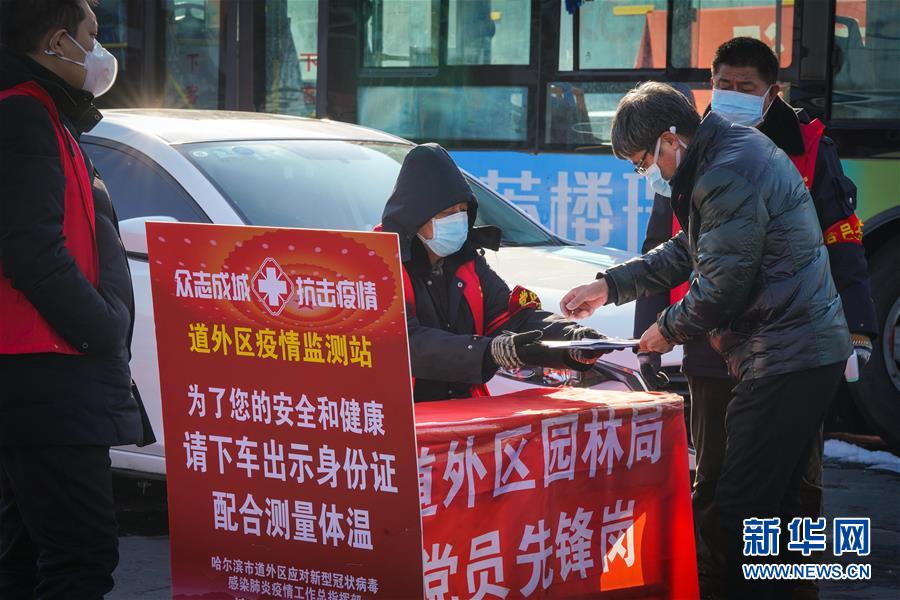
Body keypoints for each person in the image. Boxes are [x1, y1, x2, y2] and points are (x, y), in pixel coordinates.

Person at [560, 82, 851, 599]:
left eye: (643, 162)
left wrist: (664, 330)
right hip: (802, 349)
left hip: (786, 355)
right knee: (784, 504)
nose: (646, 174)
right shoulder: (727, 152)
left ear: (670, 140)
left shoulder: (723, 173)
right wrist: (609, 286)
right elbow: (689, 249)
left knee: (738, 508)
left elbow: (721, 287)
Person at [633, 38, 879, 598]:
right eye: (722, 84)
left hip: (785, 347)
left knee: (793, 491)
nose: (731, 95)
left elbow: (841, 237)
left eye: (745, 87)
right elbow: (666, 244)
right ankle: (719, 584)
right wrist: (650, 334)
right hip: (708, 339)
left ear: (773, 93)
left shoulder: (807, 146)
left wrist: (859, 327)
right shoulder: (681, 143)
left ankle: (795, 590)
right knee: (718, 483)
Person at [0, 1, 154, 597]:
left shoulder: (42, 112)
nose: (101, 50)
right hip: (47, 375)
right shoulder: (24, 115)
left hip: (38, 377)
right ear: (59, 42)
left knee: (26, 555)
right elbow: (32, 251)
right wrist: (102, 327)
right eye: (93, 34)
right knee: (81, 555)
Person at [380, 143, 607, 402]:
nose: (457, 219)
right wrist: (487, 352)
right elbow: (405, 343)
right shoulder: (381, 263)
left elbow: (511, 317)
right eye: (447, 213)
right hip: (402, 412)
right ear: (415, 217)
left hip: (462, 410)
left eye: (462, 211)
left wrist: (571, 339)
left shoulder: (467, 262)